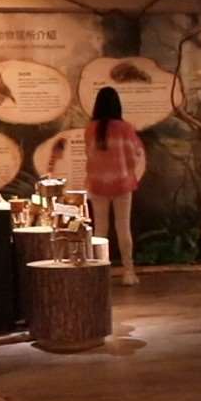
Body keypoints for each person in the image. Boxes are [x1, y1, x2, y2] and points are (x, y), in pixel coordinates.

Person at [84, 86, 143, 286]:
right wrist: (127, 168)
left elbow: (89, 155)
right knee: (123, 227)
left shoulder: (90, 129)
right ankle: (128, 271)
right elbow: (134, 155)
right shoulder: (125, 128)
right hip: (122, 184)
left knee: (100, 230)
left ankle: (99, 272)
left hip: (97, 184)